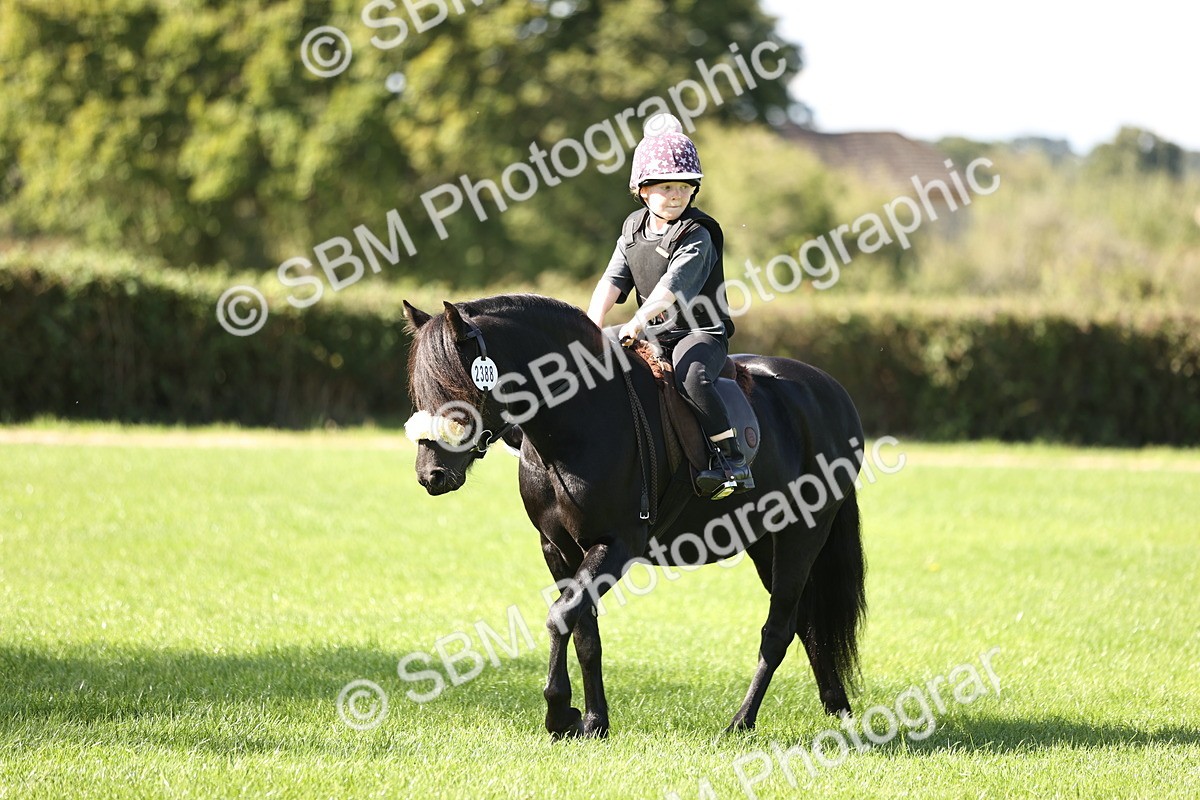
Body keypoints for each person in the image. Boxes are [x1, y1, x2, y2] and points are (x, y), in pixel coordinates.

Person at [586, 113, 753, 499]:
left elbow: (670, 289)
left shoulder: (697, 233)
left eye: (684, 187)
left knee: (692, 375)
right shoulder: (631, 229)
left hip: (699, 334)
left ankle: (731, 461)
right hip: (653, 334)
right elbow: (611, 281)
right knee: (589, 358)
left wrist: (639, 321)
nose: (677, 195)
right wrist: (591, 325)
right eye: (666, 187)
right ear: (643, 190)